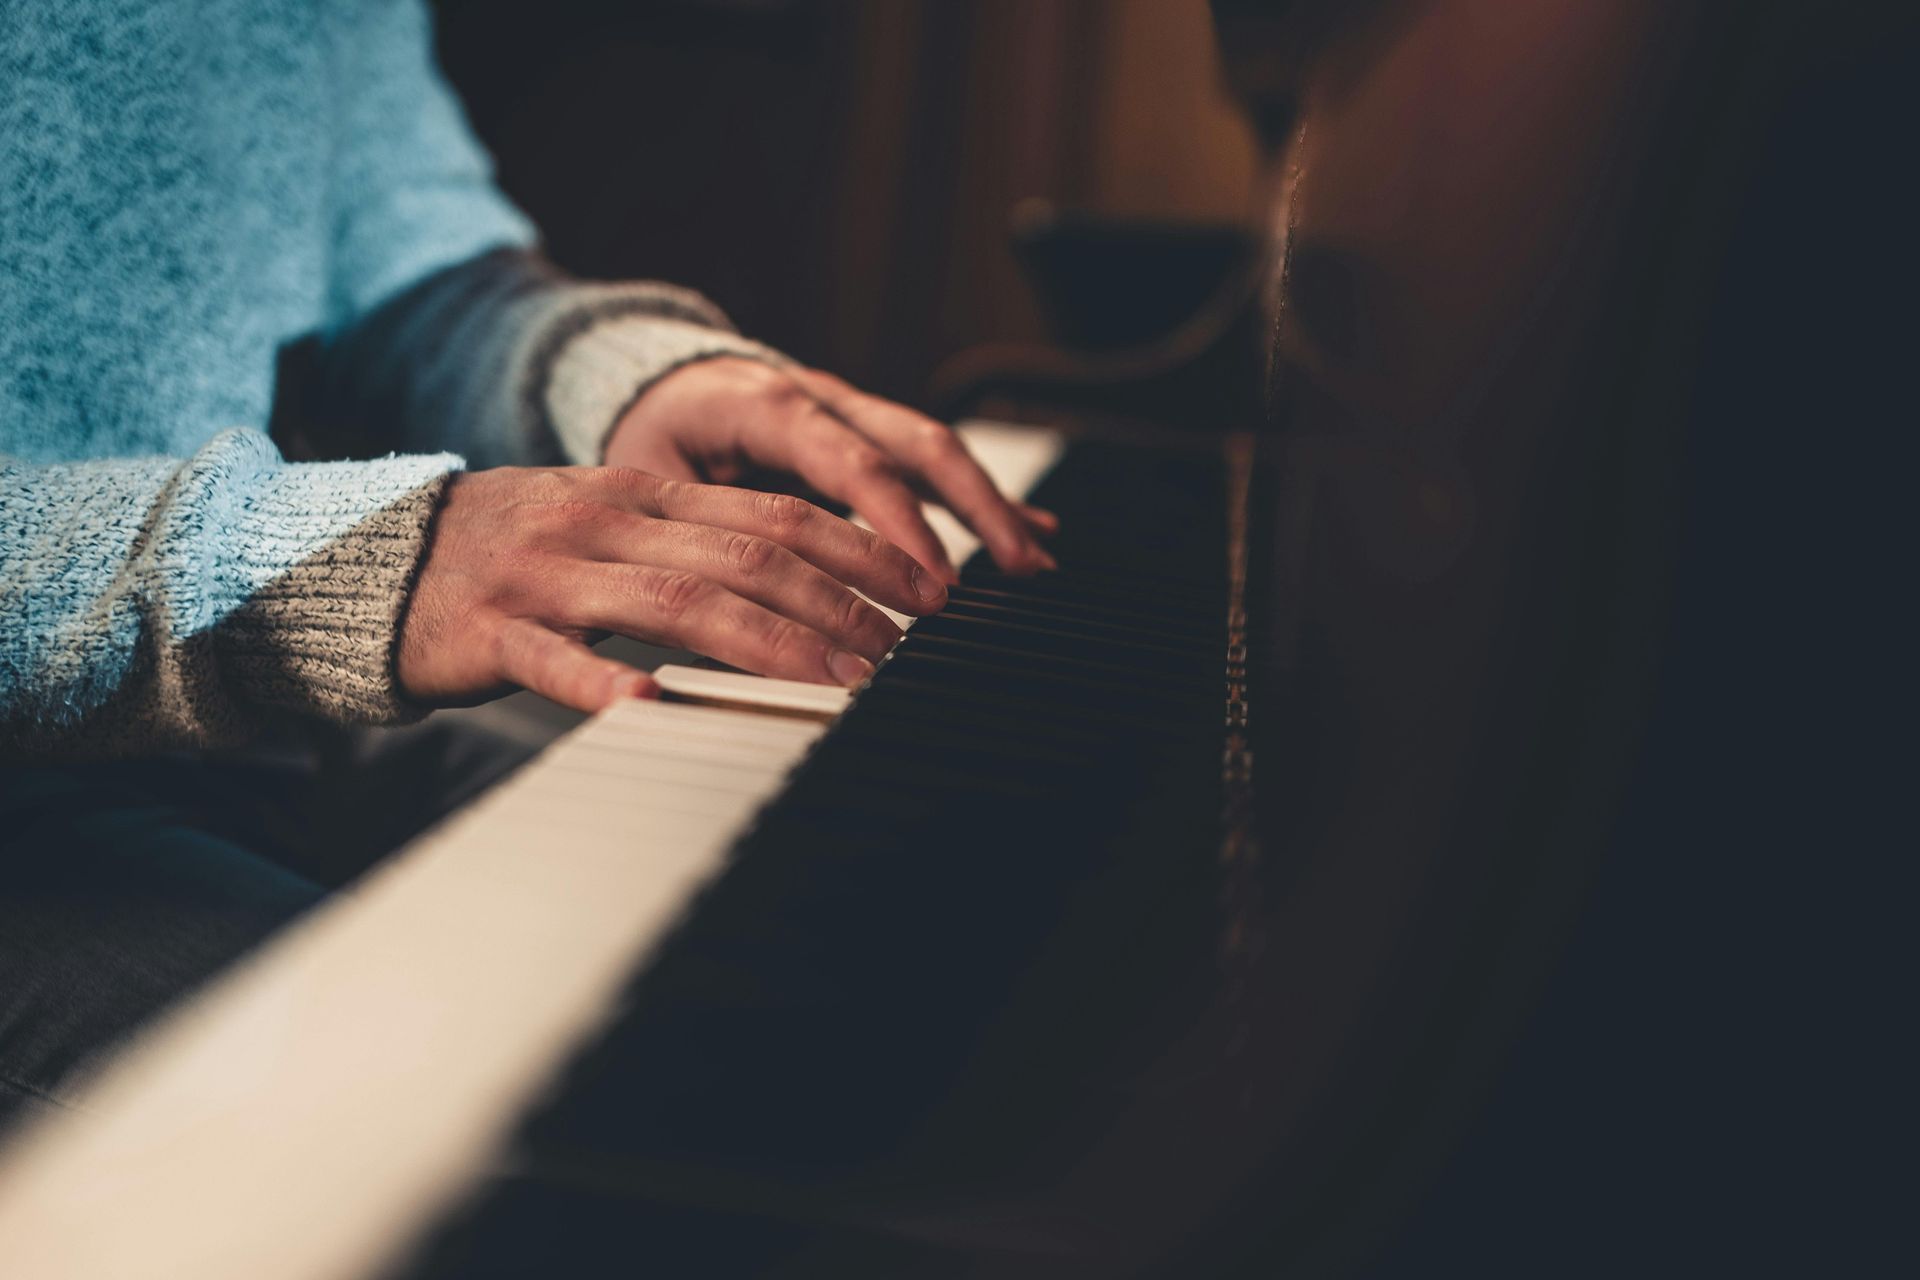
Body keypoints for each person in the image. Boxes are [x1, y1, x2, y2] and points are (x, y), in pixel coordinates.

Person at [0, 0, 1051, 1134]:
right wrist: (313, 562)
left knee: (835, 902)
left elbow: (410, 276)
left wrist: (611, 378)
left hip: (232, 721)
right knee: (491, 1127)